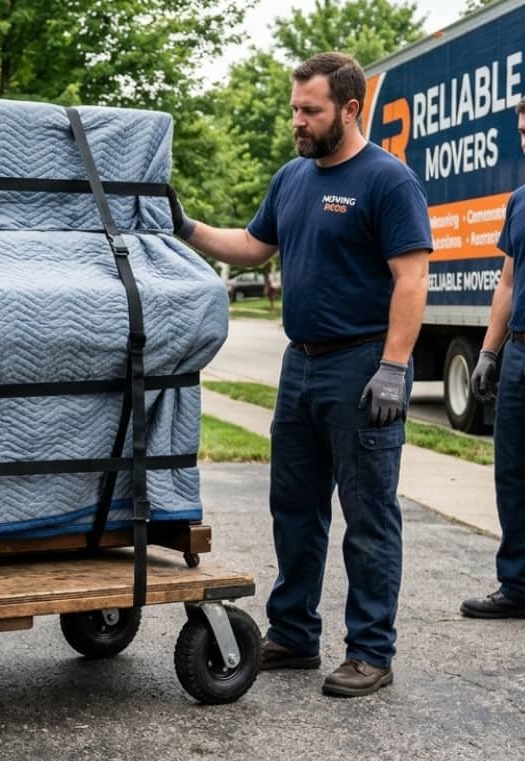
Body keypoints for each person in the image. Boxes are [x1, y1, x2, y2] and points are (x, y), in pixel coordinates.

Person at [176, 52, 432, 696]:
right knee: (293, 505)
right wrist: (184, 225)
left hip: (361, 366)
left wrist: (394, 368)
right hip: (302, 365)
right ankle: (293, 634)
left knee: (368, 513)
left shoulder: (387, 181)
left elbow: (412, 277)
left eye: (310, 110)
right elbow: (252, 246)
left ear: (350, 108)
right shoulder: (292, 178)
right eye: (294, 108)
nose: (297, 120)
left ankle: (371, 651)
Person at [459, 98, 525, 620]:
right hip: (520, 352)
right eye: (523, 131)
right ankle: (518, 585)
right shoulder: (518, 201)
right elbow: (506, 283)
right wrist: (488, 351)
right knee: (512, 472)